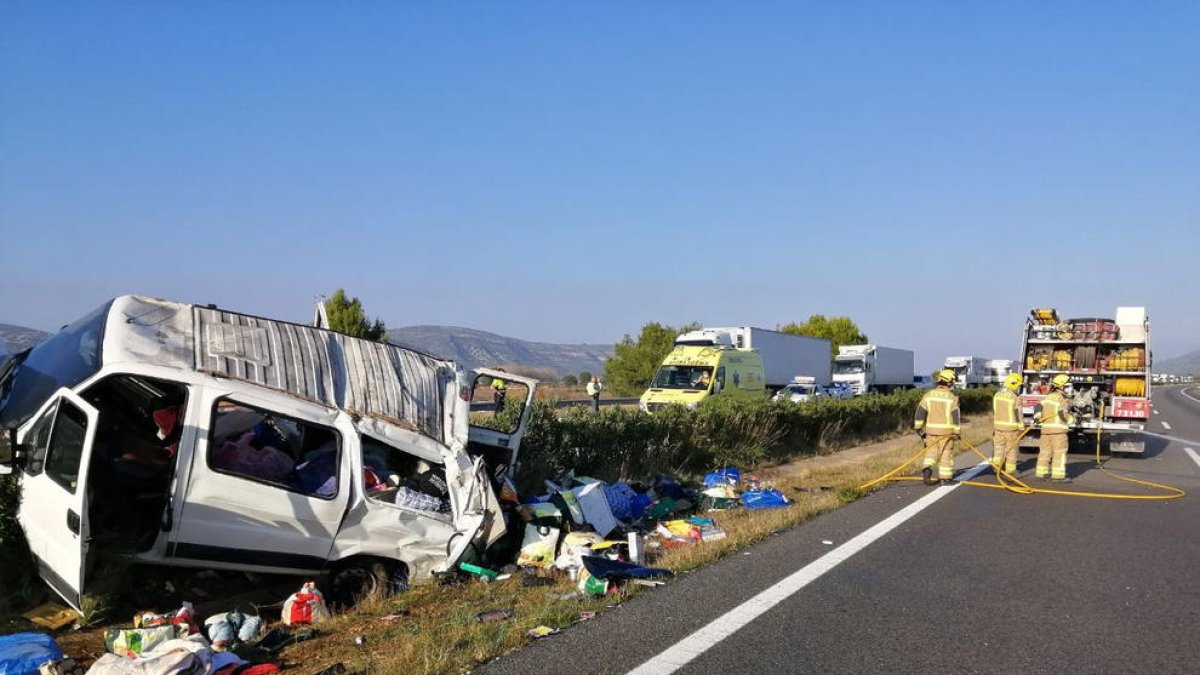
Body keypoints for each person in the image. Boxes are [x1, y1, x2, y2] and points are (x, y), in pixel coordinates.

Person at [914, 369, 961, 485]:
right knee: (945, 454)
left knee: (930, 452)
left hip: (931, 431)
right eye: (953, 383)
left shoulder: (928, 395)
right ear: (949, 383)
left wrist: (919, 429)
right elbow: (955, 416)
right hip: (946, 433)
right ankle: (945, 478)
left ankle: (927, 468)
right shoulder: (951, 398)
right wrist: (957, 432)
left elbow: (920, 412)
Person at [1034, 373, 1075, 482]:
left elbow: (1038, 406)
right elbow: (1062, 413)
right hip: (1058, 431)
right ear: (1061, 386)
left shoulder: (1048, 396)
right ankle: (1058, 476)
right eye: (1067, 386)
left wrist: (1037, 418)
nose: (1069, 389)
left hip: (1045, 431)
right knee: (1059, 453)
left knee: (1044, 452)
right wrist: (1072, 420)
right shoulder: (1062, 399)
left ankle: (1041, 473)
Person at [991, 373, 1024, 475]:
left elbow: (995, 411)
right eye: (1018, 386)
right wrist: (1021, 428)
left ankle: (997, 468)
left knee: (998, 449)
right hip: (1011, 429)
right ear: (1014, 384)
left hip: (998, 427)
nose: (1019, 388)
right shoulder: (1016, 398)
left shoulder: (996, 395)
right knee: (1011, 450)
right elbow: (1018, 415)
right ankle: (1011, 470)